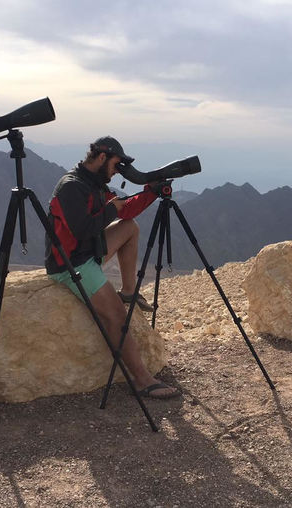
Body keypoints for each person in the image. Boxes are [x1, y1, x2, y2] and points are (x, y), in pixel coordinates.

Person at [45, 136, 180, 399]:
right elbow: (82, 229)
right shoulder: (72, 187)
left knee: (129, 228)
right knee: (117, 316)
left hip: (88, 251)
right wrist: (110, 211)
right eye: (117, 164)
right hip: (72, 262)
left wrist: (151, 191)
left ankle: (128, 290)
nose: (118, 170)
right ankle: (142, 381)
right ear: (103, 157)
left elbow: (125, 213)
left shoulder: (93, 182)